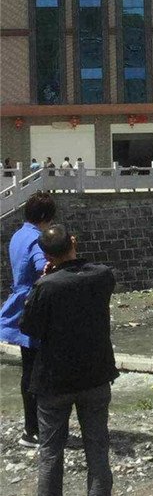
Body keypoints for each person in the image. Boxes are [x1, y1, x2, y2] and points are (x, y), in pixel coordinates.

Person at [20, 224, 118, 496]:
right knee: (98, 452)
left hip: (55, 380)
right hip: (96, 375)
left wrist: (45, 278)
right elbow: (89, 271)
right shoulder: (103, 276)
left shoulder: (46, 286)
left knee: (51, 454)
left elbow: (29, 328)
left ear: (47, 256)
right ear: (73, 243)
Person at [0, 191, 56, 447]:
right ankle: (34, 430)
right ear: (44, 217)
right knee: (38, 372)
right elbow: (42, 269)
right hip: (35, 308)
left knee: (29, 370)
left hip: (19, 306)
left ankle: (31, 428)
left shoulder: (18, 235)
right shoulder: (36, 239)